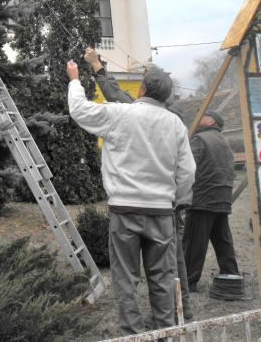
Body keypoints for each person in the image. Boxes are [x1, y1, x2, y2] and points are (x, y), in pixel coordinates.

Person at [66, 57, 196, 335]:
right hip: (162, 211)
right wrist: (174, 201)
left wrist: (75, 79)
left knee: (126, 278)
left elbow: (78, 110)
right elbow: (187, 171)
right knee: (162, 278)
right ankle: (166, 332)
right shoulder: (175, 125)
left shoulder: (120, 114)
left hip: (124, 210)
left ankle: (133, 334)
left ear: (141, 90)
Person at [182, 110, 240, 291]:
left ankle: (188, 282)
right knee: (223, 241)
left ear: (211, 120)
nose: (198, 117)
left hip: (203, 199)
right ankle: (231, 277)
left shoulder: (200, 140)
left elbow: (186, 166)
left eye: (203, 115)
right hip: (222, 198)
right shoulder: (224, 142)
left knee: (194, 243)